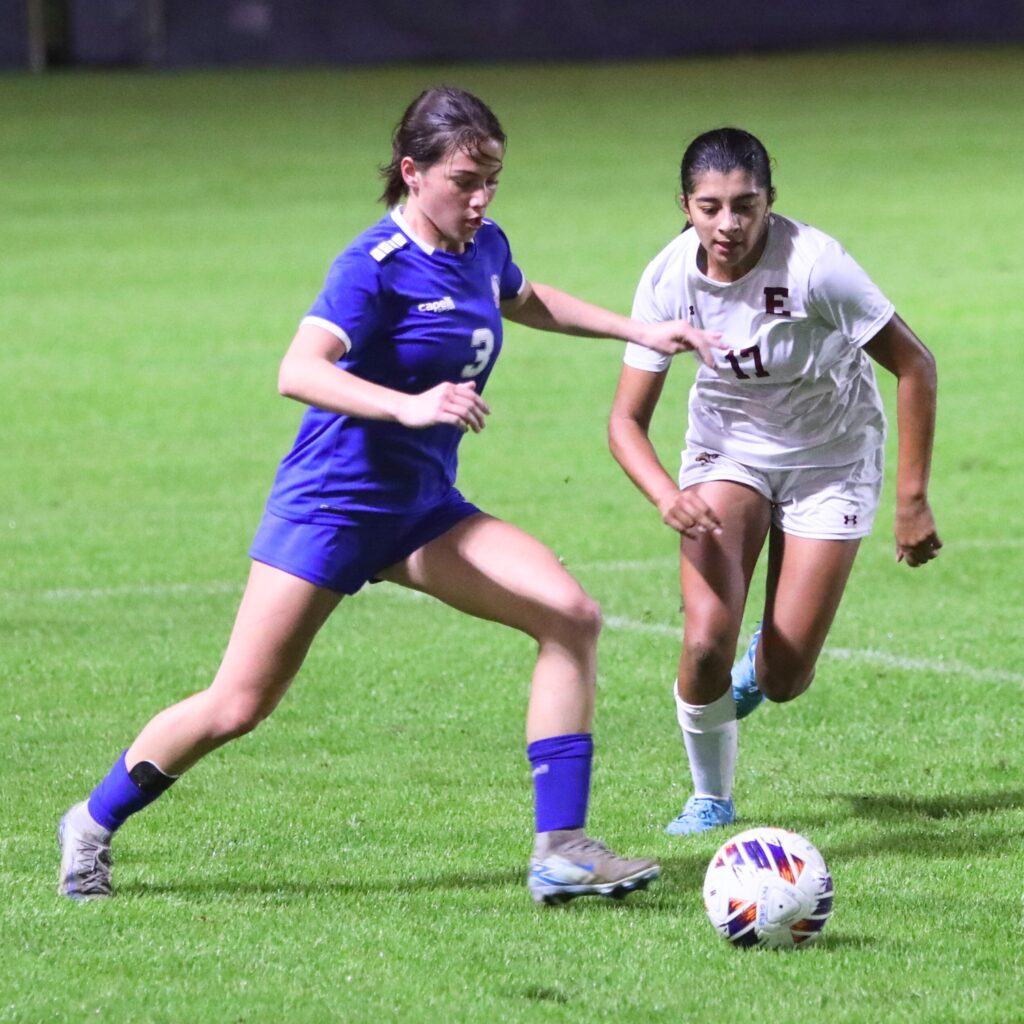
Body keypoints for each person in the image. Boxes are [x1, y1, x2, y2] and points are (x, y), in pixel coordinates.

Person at [58, 86, 723, 903]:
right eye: (465, 180)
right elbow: (296, 370)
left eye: (494, 181)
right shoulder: (371, 267)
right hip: (332, 508)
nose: (480, 199)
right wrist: (409, 405)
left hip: (422, 510)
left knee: (570, 615)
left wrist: (637, 330)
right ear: (413, 173)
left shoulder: (481, 245)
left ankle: (563, 849)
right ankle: (89, 824)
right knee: (239, 704)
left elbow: (522, 296)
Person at [608, 127, 940, 835]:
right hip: (728, 453)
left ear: (769, 201)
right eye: (710, 206)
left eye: (745, 205)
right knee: (703, 644)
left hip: (832, 456)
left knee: (786, 680)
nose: (728, 224)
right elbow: (624, 423)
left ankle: (767, 661)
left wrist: (911, 500)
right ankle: (711, 796)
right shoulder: (668, 279)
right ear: (686, 206)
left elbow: (917, 365)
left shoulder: (817, 266)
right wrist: (669, 495)